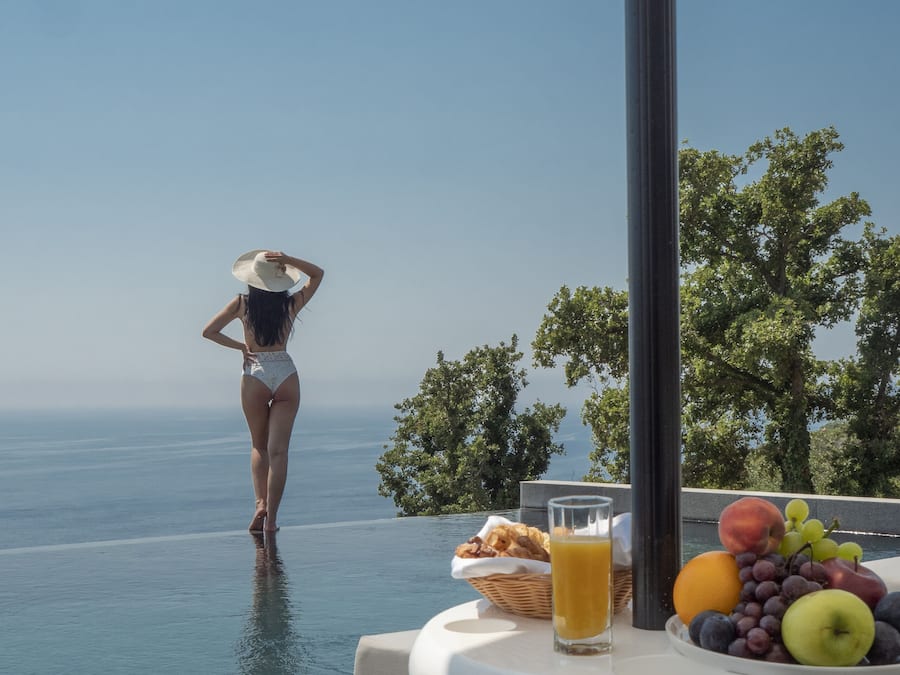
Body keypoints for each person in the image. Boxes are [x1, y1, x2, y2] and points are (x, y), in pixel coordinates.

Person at [203, 250, 324, 533]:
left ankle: (260, 504)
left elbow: (209, 332)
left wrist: (242, 348)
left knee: (259, 445)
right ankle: (273, 521)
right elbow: (318, 274)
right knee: (279, 451)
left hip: (255, 370)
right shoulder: (291, 303)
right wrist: (288, 259)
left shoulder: (241, 304)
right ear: (280, 278)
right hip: (285, 371)